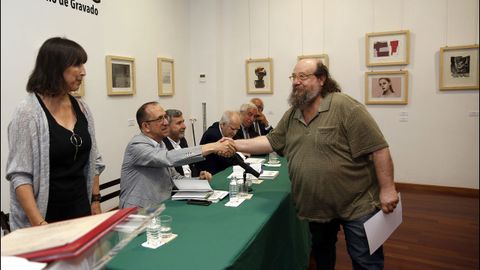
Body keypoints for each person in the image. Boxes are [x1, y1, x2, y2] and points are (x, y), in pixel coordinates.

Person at [234, 59, 399, 270]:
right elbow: (271, 141)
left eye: (303, 76)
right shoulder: (292, 114)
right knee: (322, 258)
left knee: (366, 261)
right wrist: (234, 144)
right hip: (317, 208)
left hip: (358, 205)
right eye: (293, 77)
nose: (296, 82)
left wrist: (388, 189)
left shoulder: (345, 106)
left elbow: (378, 148)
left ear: (321, 79)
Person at [5, 37, 105, 230]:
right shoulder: (28, 112)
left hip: (80, 209)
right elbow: (20, 175)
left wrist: (95, 201)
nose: (83, 72)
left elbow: (95, 161)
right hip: (45, 216)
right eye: (76, 65)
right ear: (55, 67)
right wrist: (39, 224)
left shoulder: (82, 108)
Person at [119, 102, 234, 209]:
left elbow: (174, 178)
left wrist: (198, 181)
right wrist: (212, 147)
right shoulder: (137, 145)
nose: (165, 122)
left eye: (165, 117)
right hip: (138, 211)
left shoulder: (160, 143)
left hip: (161, 206)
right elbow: (167, 158)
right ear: (146, 126)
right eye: (160, 119)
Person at [162, 109, 208, 178]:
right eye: (179, 123)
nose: (184, 126)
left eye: (183, 122)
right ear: (167, 126)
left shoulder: (182, 140)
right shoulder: (163, 145)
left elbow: (190, 166)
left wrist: (198, 177)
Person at [196, 111, 241, 175]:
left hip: (220, 170)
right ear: (222, 125)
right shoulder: (212, 135)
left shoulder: (229, 131)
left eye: (237, 129)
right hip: (208, 175)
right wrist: (242, 155)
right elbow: (228, 160)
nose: (235, 133)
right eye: (232, 129)